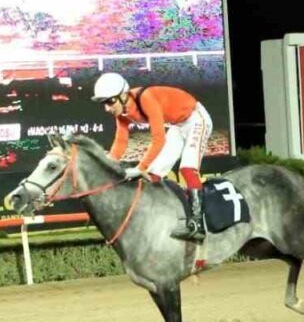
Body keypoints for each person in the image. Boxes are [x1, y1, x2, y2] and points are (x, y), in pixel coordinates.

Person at [90, 72, 213, 241]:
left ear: (123, 96)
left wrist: (140, 168)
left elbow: (159, 140)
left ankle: (197, 225)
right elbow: (121, 141)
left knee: (187, 168)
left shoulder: (146, 98)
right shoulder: (122, 112)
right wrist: (108, 163)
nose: (107, 108)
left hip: (196, 119)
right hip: (177, 126)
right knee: (153, 174)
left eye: (110, 101)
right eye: (104, 103)